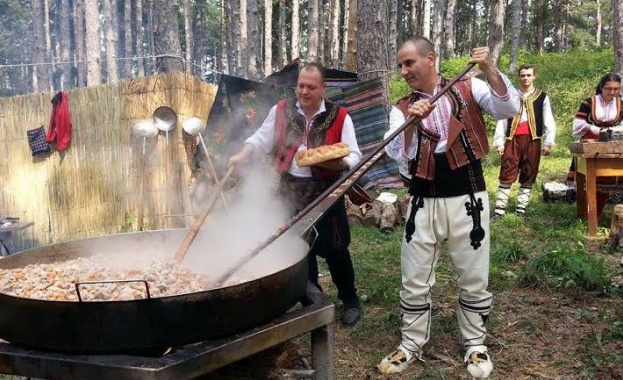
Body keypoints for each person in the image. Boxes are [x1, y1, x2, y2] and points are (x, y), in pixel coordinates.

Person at [377, 36, 520, 377]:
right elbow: (398, 154)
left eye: (409, 62)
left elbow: (508, 107)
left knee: (473, 276)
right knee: (414, 276)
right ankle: (410, 344)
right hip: (423, 199)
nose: (404, 71)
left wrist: (490, 68)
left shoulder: (470, 86)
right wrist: (412, 125)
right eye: (400, 65)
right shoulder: (401, 108)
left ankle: (475, 345)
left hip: (467, 196)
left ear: (430, 59)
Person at [229, 62, 364, 326]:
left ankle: (350, 299)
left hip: (326, 191)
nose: (304, 91)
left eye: (311, 87)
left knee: (336, 248)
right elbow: (260, 138)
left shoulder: (340, 116)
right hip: (290, 189)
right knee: (301, 249)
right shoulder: (281, 110)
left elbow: (355, 155)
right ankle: (315, 303)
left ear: (323, 88)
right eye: (301, 85)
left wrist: (330, 162)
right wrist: (242, 154)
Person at [492, 64, 556, 218]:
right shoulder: (511, 95)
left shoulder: (542, 97)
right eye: (522, 75)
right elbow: (502, 118)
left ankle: (521, 209)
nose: (525, 78)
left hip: (532, 140)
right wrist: (499, 141)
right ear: (518, 77)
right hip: (512, 139)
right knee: (507, 170)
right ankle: (499, 210)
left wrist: (548, 142)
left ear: (534, 76)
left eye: (528, 75)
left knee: (529, 171)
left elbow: (548, 119)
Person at [567, 73, 623, 217]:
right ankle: (586, 212)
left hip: (612, 143)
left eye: (616, 89)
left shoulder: (620, 104)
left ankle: (596, 212)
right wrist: (593, 128)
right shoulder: (589, 102)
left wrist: (616, 130)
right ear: (601, 87)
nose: (612, 92)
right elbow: (578, 123)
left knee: (607, 177)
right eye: (608, 89)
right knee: (589, 177)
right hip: (591, 141)